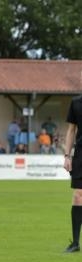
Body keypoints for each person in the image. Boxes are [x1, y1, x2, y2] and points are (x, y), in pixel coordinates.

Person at [63, 95, 82, 253]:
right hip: (80, 156)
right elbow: (71, 130)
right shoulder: (76, 103)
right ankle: (75, 243)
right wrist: (67, 156)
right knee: (78, 195)